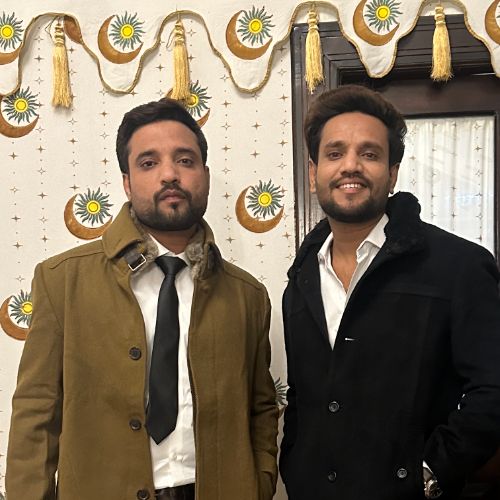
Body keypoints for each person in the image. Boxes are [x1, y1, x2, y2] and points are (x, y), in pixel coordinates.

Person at [6, 97, 278, 500]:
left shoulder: (247, 295)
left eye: (185, 160)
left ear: (204, 175)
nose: (170, 174)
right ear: (127, 182)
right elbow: (36, 411)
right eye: (149, 163)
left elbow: (261, 408)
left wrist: (260, 481)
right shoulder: (62, 281)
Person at [280, 84, 500, 500]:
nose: (350, 166)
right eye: (335, 153)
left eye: (369, 153)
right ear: (313, 172)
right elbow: (303, 396)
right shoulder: (300, 281)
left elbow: (493, 390)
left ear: (392, 173)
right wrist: (294, 464)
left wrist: (433, 471)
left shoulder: (458, 266)